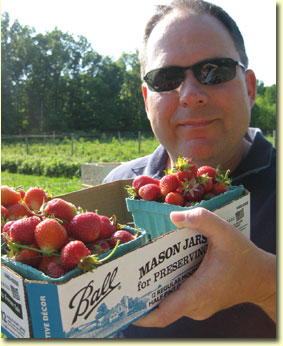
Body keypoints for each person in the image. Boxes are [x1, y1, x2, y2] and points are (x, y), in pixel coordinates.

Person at [103, 0, 276, 338]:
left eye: (214, 71)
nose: (191, 95)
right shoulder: (119, 188)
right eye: (165, 79)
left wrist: (266, 285)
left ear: (250, 88)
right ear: (146, 99)